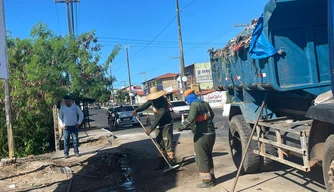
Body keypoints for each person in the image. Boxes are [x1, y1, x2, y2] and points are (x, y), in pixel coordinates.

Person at [178, 89, 216, 188]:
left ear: (188, 98)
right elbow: (211, 115)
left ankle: (207, 182)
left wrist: (181, 127)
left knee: (201, 158)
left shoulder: (194, 105)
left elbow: (190, 119)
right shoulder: (205, 103)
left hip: (201, 135)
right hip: (211, 133)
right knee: (208, 156)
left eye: (186, 99)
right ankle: (212, 177)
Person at [132, 86, 174, 170]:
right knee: (159, 143)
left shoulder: (163, 103)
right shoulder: (152, 100)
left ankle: (171, 162)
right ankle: (161, 163)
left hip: (166, 124)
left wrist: (151, 129)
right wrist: (136, 110)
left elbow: (159, 117)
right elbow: (144, 105)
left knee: (167, 142)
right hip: (158, 125)